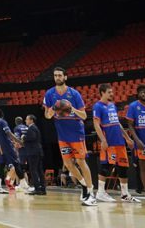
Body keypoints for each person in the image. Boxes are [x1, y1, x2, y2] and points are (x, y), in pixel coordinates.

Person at [43, 66, 96, 206]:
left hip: (76, 133)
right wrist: (53, 109)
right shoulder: (49, 94)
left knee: (81, 162)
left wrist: (72, 109)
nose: (58, 78)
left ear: (65, 77)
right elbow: (47, 116)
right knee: (68, 164)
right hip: (62, 135)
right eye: (55, 75)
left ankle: (91, 193)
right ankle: (84, 185)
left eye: (60, 75)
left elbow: (84, 116)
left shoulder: (74, 94)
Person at [93, 83, 137, 203]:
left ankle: (124, 194)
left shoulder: (112, 105)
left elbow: (117, 123)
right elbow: (96, 124)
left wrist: (127, 138)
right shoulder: (98, 106)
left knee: (123, 167)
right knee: (106, 166)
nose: (112, 94)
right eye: (109, 92)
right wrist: (103, 140)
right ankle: (100, 193)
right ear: (102, 93)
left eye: (112, 92)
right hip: (109, 141)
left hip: (119, 141)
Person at [0, 109, 21, 193]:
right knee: (15, 164)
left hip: (0, 145)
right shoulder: (2, 122)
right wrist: (18, 141)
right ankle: (18, 183)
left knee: (1, 164)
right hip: (6, 146)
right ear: (2, 114)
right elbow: (8, 133)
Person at [22, 114, 46, 195]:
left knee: (33, 170)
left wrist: (24, 137)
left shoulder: (31, 128)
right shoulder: (35, 128)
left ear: (31, 120)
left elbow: (32, 138)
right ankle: (42, 189)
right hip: (38, 151)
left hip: (33, 152)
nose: (25, 121)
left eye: (26, 119)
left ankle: (37, 189)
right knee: (39, 170)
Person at [12, 116, 30, 192]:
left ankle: (22, 185)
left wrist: (15, 149)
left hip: (22, 150)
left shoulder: (17, 128)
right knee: (25, 169)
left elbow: (17, 139)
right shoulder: (27, 127)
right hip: (29, 149)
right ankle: (26, 185)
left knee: (20, 168)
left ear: (16, 122)